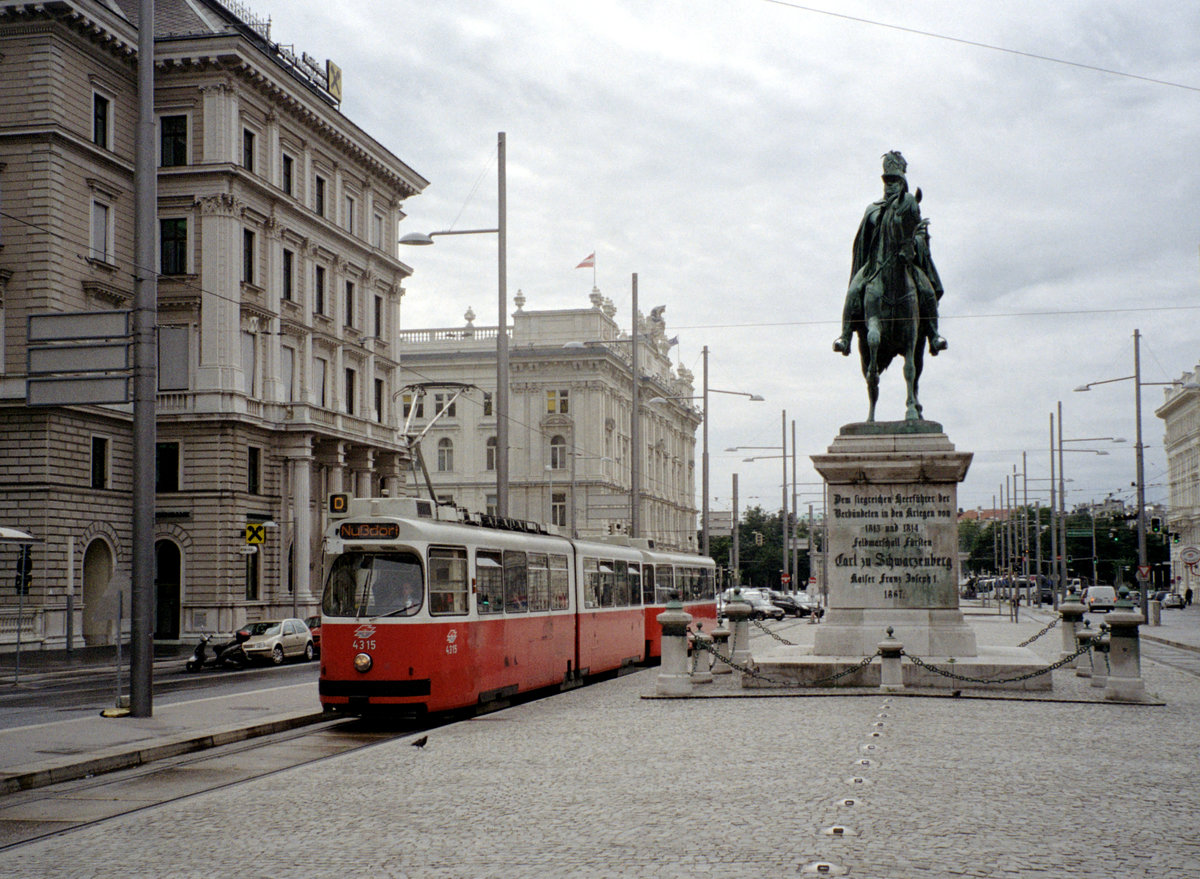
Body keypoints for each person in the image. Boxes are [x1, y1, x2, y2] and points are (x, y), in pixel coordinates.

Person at [834, 151, 947, 357]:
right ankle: (845, 337)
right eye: (887, 181)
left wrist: (914, 242)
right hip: (875, 266)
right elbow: (862, 241)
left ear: (903, 182)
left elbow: (919, 230)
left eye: (895, 181)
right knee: (853, 291)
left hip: (906, 263)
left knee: (927, 291)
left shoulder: (909, 206)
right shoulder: (873, 209)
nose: (890, 185)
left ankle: (934, 335)